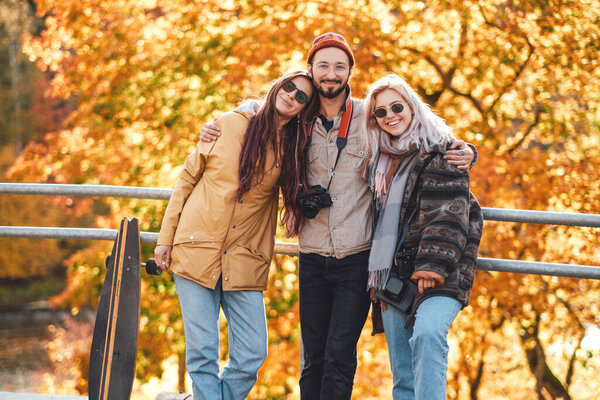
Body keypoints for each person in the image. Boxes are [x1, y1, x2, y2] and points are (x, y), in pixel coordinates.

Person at [199, 33, 476, 399]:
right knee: (312, 357)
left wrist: (466, 149)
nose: (331, 74)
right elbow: (264, 108)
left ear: (349, 72)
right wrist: (213, 125)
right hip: (312, 254)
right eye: (323, 66)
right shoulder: (297, 118)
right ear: (310, 70)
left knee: (340, 357)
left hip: (357, 256)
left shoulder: (371, 117)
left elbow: (418, 136)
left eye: (339, 67)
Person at [154, 70, 317, 400]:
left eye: (302, 97)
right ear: (277, 86)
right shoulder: (227, 124)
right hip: (195, 250)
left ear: (304, 109)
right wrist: (164, 239)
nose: (292, 96)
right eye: (289, 87)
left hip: (244, 260)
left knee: (252, 354)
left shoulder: (293, 150)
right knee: (202, 354)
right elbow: (186, 181)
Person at [363, 73, 484, 400]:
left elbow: (450, 211)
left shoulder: (442, 150)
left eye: (397, 106)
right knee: (403, 377)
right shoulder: (379, 162)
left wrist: (431, 266)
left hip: (440, 272)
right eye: (381, 112)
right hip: (392, 277)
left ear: (413, 107)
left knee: (428, 336)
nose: (390, 116)